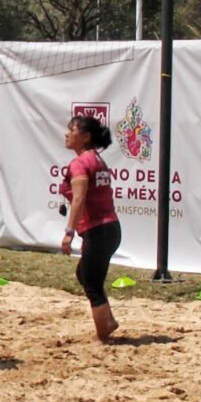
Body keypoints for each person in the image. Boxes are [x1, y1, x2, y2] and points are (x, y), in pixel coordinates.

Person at [60, 114, 122, 342]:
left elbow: (79, 199)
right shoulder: (96, 159)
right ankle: (109, 320)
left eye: (72, 129)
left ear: (85, 137)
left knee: (92, 284)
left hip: (99, 230)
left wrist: (68, 233)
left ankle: (103, 334)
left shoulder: (80, 163)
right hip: (109, 229)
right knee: (84, 275)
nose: (67, 133)